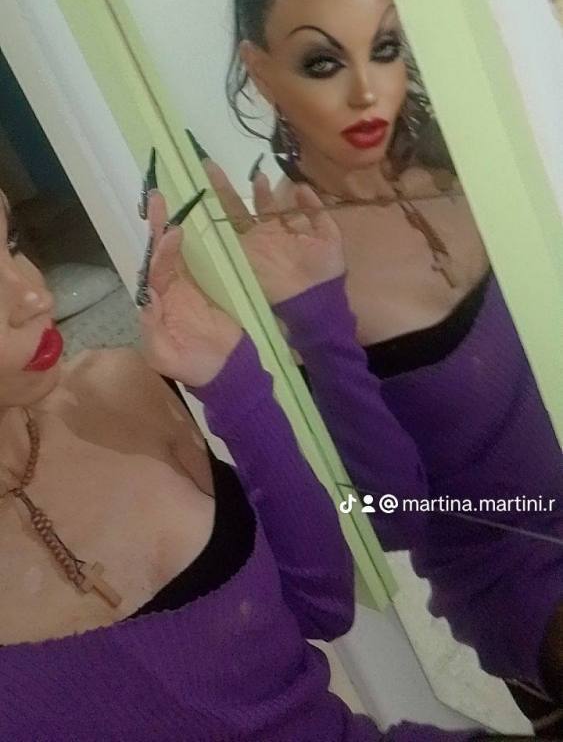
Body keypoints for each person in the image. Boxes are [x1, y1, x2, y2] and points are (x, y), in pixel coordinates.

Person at [207, 0, 563, 735]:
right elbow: (390, 521)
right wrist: (315, 322)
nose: (368, 92)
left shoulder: (468, 156)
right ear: (260, 73)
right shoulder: (290, 261)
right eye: (321, 63)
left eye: (386, 48)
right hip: (513, 572)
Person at [0, 182, 489, 742]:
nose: (35, 296)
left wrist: (235, 385)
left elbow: (322, 605)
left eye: (11, 242)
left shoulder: (116, 390)